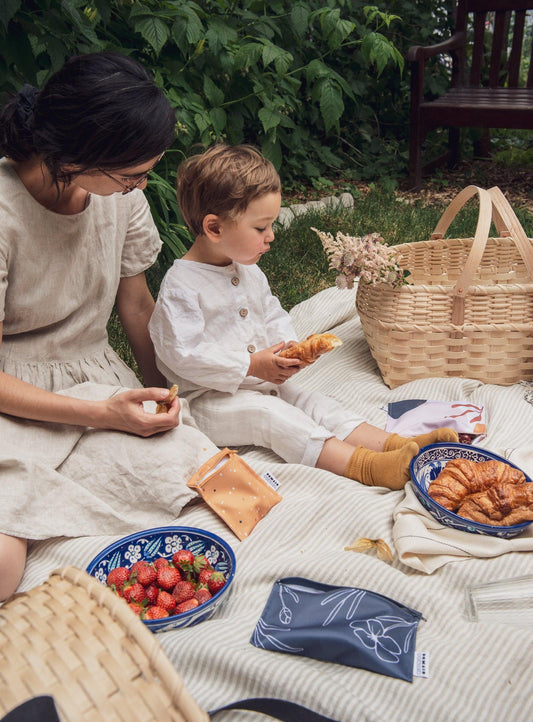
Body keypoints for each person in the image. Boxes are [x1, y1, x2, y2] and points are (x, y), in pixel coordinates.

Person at [0, 52, 220, 601]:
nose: (142, 187)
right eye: (132, 175)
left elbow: (137, 307)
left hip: (96, 376)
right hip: (15, 398)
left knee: (197, 477)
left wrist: (164, 395)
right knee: (3, 568)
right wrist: (102, 416)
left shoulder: (120, 201)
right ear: (74, 156)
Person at [149, 143, 459, 493]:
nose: (271, 236)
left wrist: (288, 346)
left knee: (315, 402)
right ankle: (367, 467)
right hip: (209, 401)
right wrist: (249, 365)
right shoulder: (182, 286)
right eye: (261, 228)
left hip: (263, 383)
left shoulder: (249, 272)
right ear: (215, 229)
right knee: (275, 418)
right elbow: (182, 354)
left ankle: (395, 444)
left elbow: (271, 311)